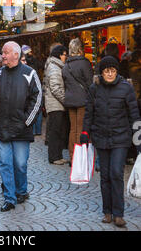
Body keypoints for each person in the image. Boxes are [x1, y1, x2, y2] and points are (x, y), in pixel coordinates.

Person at [80, 56, 141, 228]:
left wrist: (138, 139)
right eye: (106, 71)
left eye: (113, 70)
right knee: (105, 175)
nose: (110, 74)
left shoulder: (126, 88)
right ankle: (107, 212)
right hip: (101, 137)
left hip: (121, 138)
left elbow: (134, 115)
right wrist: (85, 132)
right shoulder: (94, 89)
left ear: (117, 71)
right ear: (101, 72)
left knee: (116, 173)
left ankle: (119, 213)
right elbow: (89, 113)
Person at [0, 41, 42, 212]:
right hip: (2, 127)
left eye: (5, 52)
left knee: (20, 163)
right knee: (5, 162)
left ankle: (21, 191)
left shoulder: (30, 73)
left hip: (21, 128)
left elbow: (38, 97)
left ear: (16, 55)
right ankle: (9, 197)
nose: (2, 55)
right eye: (2, 52)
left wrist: (27, 121)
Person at [62, 38, 93, 162]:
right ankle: (79, 156)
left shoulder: (66, 65)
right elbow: (90, 83)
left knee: (73, 128)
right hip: (82, 99)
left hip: (70, 99)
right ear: (81, 49)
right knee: (80, 128)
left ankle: (72, 155)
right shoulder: (84, 63)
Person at [43, 45, 68, 165]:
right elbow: (55, 88)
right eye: (64, 54)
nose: (65, 57)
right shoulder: (54, 68)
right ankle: (54, 157)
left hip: (56, 104)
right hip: (55, 104)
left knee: (58, 130)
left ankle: (58, 155)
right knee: (55, 131)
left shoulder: (56, 66)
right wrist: (65, 100)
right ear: (59, 55)